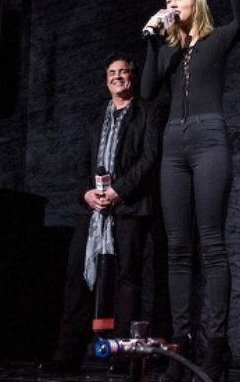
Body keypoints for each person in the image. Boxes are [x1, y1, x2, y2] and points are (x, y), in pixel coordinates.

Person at [140, 0, 240, 382]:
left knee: (211, 242)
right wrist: (153, 41)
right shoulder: (168, 52)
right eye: (168, 0)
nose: (172, 4)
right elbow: (147, 91)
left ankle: (216, 345)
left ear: (195, 3)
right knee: (177, 248)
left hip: (208, 138)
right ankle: (181, 345)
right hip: (173, 144)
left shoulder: (216, 40)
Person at [48, 53, 164, 374]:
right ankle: (67, 354)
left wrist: (119, 191)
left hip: (128, 208)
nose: (117, 76)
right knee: (77, 277)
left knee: (127, 279)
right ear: (106, 80)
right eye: (112, 72)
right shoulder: (96, 115)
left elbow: (150, 158)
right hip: (93, 210)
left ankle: (122, 355)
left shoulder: (147, 112)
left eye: (123, 71)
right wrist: (86, 193)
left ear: (132, 77)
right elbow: (81, 163)